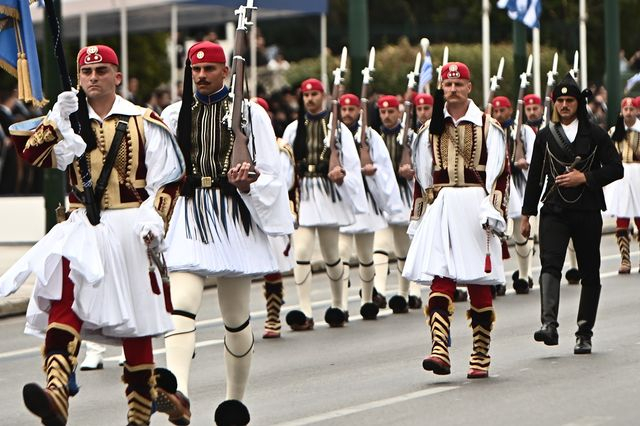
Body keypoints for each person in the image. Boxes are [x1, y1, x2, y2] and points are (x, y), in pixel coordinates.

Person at [0, 44, 185, 425]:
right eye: (86, 72)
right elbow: (31, 157)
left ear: (117, 76)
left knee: (136, 322)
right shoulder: (69, 121)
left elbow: (168, 181)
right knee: (64, 297)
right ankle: (56, 393)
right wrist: (55, 121)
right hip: (82, 225)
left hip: (130, 227)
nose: (93, 77)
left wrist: (156, 219)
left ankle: (144, 407)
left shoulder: (144, 120)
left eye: (102, 71)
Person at [160, 41, 293, 425]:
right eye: (195, 70)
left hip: (232, 213)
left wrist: (248, 181)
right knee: (180, 303)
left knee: (235, 317)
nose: (201, 76)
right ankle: (179, 392)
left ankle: (234, 400)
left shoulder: (251, 116)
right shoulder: (173, 114)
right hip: (188, 211)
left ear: (226, 72)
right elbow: (161, 170)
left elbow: (272, 173)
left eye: (209, 69)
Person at [404, 62, 509, 379]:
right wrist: (419, 214)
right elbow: (422, 176)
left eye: (458, 85)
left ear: (469, 87)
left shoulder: (489, 126)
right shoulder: (428, 129)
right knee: (441, 274)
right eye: (447, 85)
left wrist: (494, 208)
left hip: (475, 206)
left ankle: (480, 353)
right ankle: (439, 348)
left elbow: (500, 173)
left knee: (478, 280)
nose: (452, 90)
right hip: (444, 205)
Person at [521, 73, 623, 354]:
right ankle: (549, 325)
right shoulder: (545, 136)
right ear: (554, 104)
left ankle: (584, 332)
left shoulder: (596, 134)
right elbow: (535, 178)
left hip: (587, 210)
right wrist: (527, 214)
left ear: (578, 103)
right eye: (560, 100)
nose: (565, 105)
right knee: (550, 264)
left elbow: (616, 168)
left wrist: (586, 179)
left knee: (590, 272)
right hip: (554, 210)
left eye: (570, 100)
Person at [281, 78, 367, 330]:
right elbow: (285, 163)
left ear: (323, 95)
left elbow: (350, 163)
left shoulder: (337, 128)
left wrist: (342, 176)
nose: (309, 99)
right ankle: (305, 310)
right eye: (306, 94)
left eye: (314, 94)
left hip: (328, 193)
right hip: (305, 192)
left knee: (331, 254)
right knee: (302, 252)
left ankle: (339, 304)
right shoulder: (293, 128)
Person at [338, 93, 403, 320]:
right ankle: (341, 305)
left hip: (366, 199)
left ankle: (368, 299)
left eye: (351, 110)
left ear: (359, 111)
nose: (347, 114)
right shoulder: (334, 133)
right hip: (344, 198)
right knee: (341, 253)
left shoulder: (370, 136)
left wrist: (372, 170)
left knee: (366, 254)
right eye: (344, 109)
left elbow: (384, 165)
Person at [373, 95, 423, 313]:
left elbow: (424, 163)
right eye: (383, 112)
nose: (386, 116)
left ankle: (406, 292)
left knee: (404, 247)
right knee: (380, 244)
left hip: (404, 194)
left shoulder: (411, 136)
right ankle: (379, 290)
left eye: (390, 111)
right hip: (382, 195)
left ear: (399, 112)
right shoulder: (373, 136)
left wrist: (411, 172)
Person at [491, 95, 537, 294]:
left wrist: (523, 163)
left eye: (503, 111)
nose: (499, 114)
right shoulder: (490, 130)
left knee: (520, 232)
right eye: (496, 111)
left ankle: (525, 276)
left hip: (518, 185)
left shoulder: (524, 131)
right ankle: (497, 279)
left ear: (511, 111)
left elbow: (535, 156)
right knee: (495, 236)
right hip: (497, 186)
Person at [606, 97, 640, 274]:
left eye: (631, 109)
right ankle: (625, 259)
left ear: (636, 111)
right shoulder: (614, 130)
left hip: (638, 175)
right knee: (622, 218)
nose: (628, 112)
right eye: (625, 109)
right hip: (621, 176)